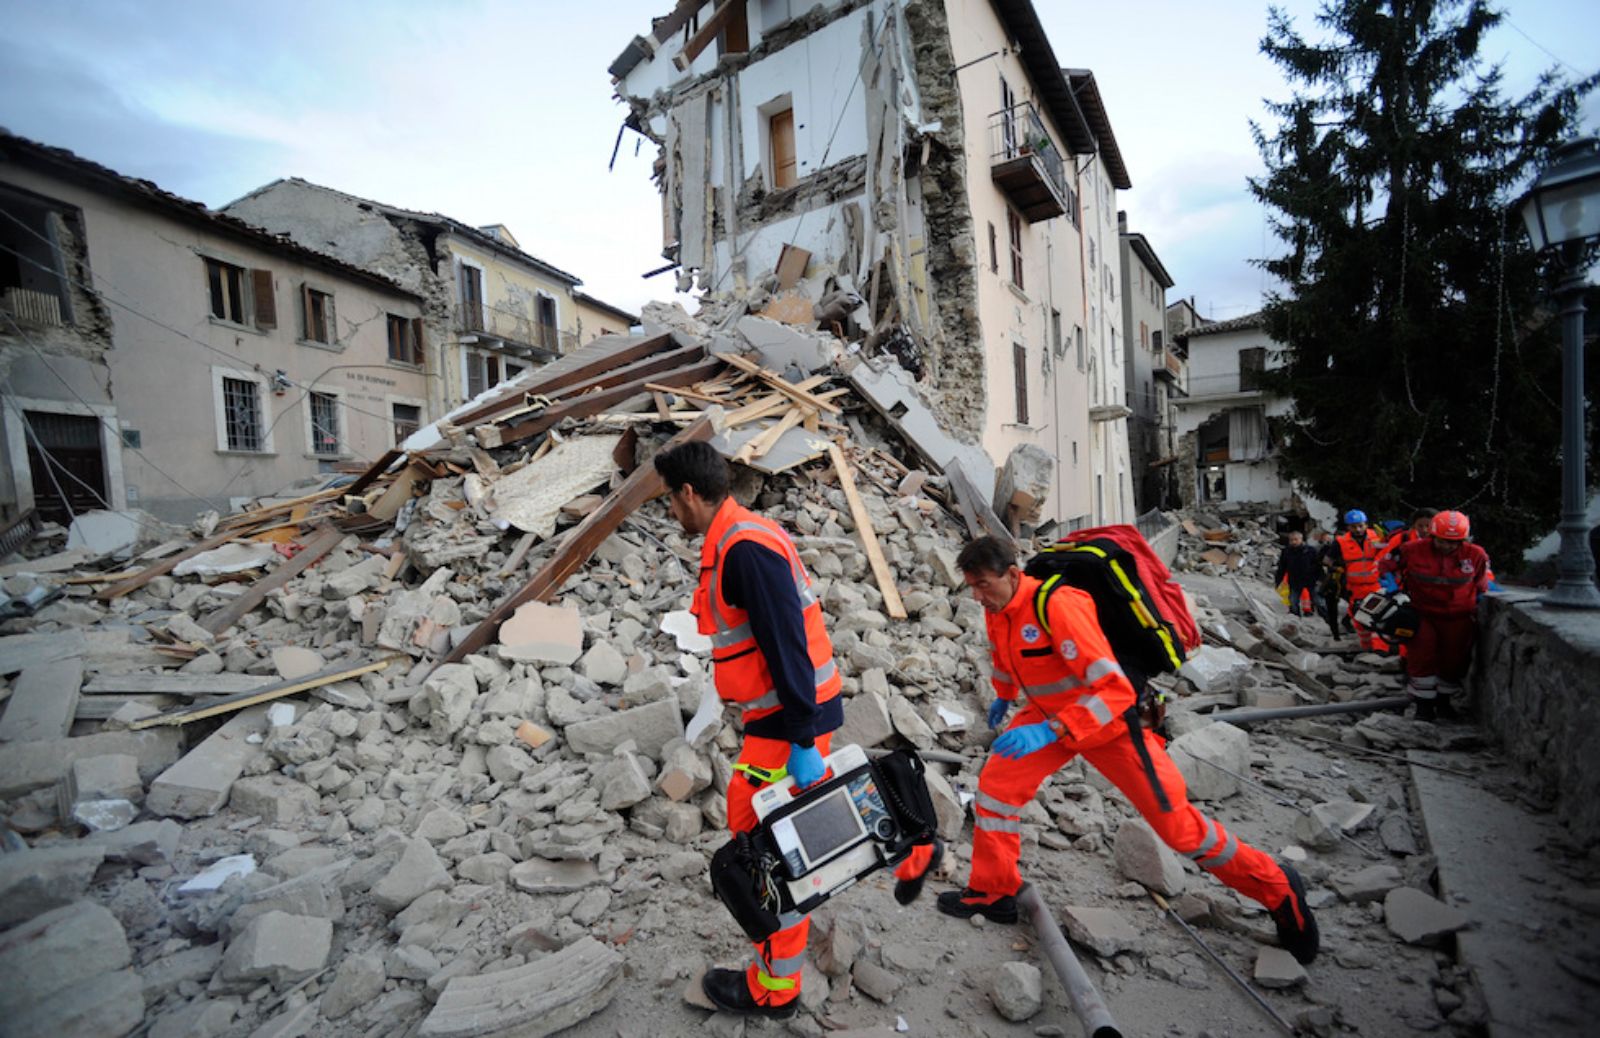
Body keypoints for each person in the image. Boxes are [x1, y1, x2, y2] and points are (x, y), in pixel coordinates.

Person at [934, 535, 1319, 965]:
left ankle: (1277, 887)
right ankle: (994, 891)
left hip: (1109, 724)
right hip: (1048, 717)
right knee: (997, 787)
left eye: (983, 584)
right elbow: (1006, 657)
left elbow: (1115, 689)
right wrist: (1005, 695)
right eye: (971, 586)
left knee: (1179, 829)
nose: (976, 595)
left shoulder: (1059, 605)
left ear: (1012, 573)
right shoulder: (998, 608)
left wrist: (1053, 730)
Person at [653, 441, 937, 1017]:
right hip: (787, 715)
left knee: (763, 845)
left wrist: (804, 739)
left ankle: (774, 989)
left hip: (789, 721)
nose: (669, 513)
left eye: (669, 501)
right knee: (799, 824)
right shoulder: (741, 535)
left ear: (688, 493)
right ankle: (912, 851)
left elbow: (787, 647)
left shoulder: (743, 551)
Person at [1379, 510, 1491, 721]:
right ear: (1433, 536)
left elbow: (1482, 583)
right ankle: (1424, 706)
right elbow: (1386, 566)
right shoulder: (1411, 550)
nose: (1447, 546)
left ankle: (1444, 703)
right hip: (1423, 613)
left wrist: (1481, 598)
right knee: (1422, 655)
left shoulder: (1475, 555)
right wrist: (1391, 587)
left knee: (1453, 659)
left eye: (1454, 542)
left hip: (1459, 617)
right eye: (1443, 541)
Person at [1334, 510, 1385, 649]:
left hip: (1375, 585)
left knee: (1378, 615)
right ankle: (1366, 647)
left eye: (1360, 526)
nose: (1358, 529)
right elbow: (1329, 559)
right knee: (1359, 618)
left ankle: (1380, 649)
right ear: (1348, 527)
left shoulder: (1377, 538)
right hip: (1354, 588)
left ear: (1366, 524)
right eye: (1354, 526)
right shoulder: (1341, 542)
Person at [1274, 531, 1322, 617]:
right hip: (1294, 581)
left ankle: (1327, 619)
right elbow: (1282, 568)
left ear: (1301, 539)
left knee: (1319, 601)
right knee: (1293, 602)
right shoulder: (1286, 551)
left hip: (1311, 580)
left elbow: (1318, 566)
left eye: (1296, 540)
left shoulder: (1310, 551)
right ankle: (1295, 619)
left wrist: (1320, 579)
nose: (1293, 542)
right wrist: (1278, 581)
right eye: (1291, 540)